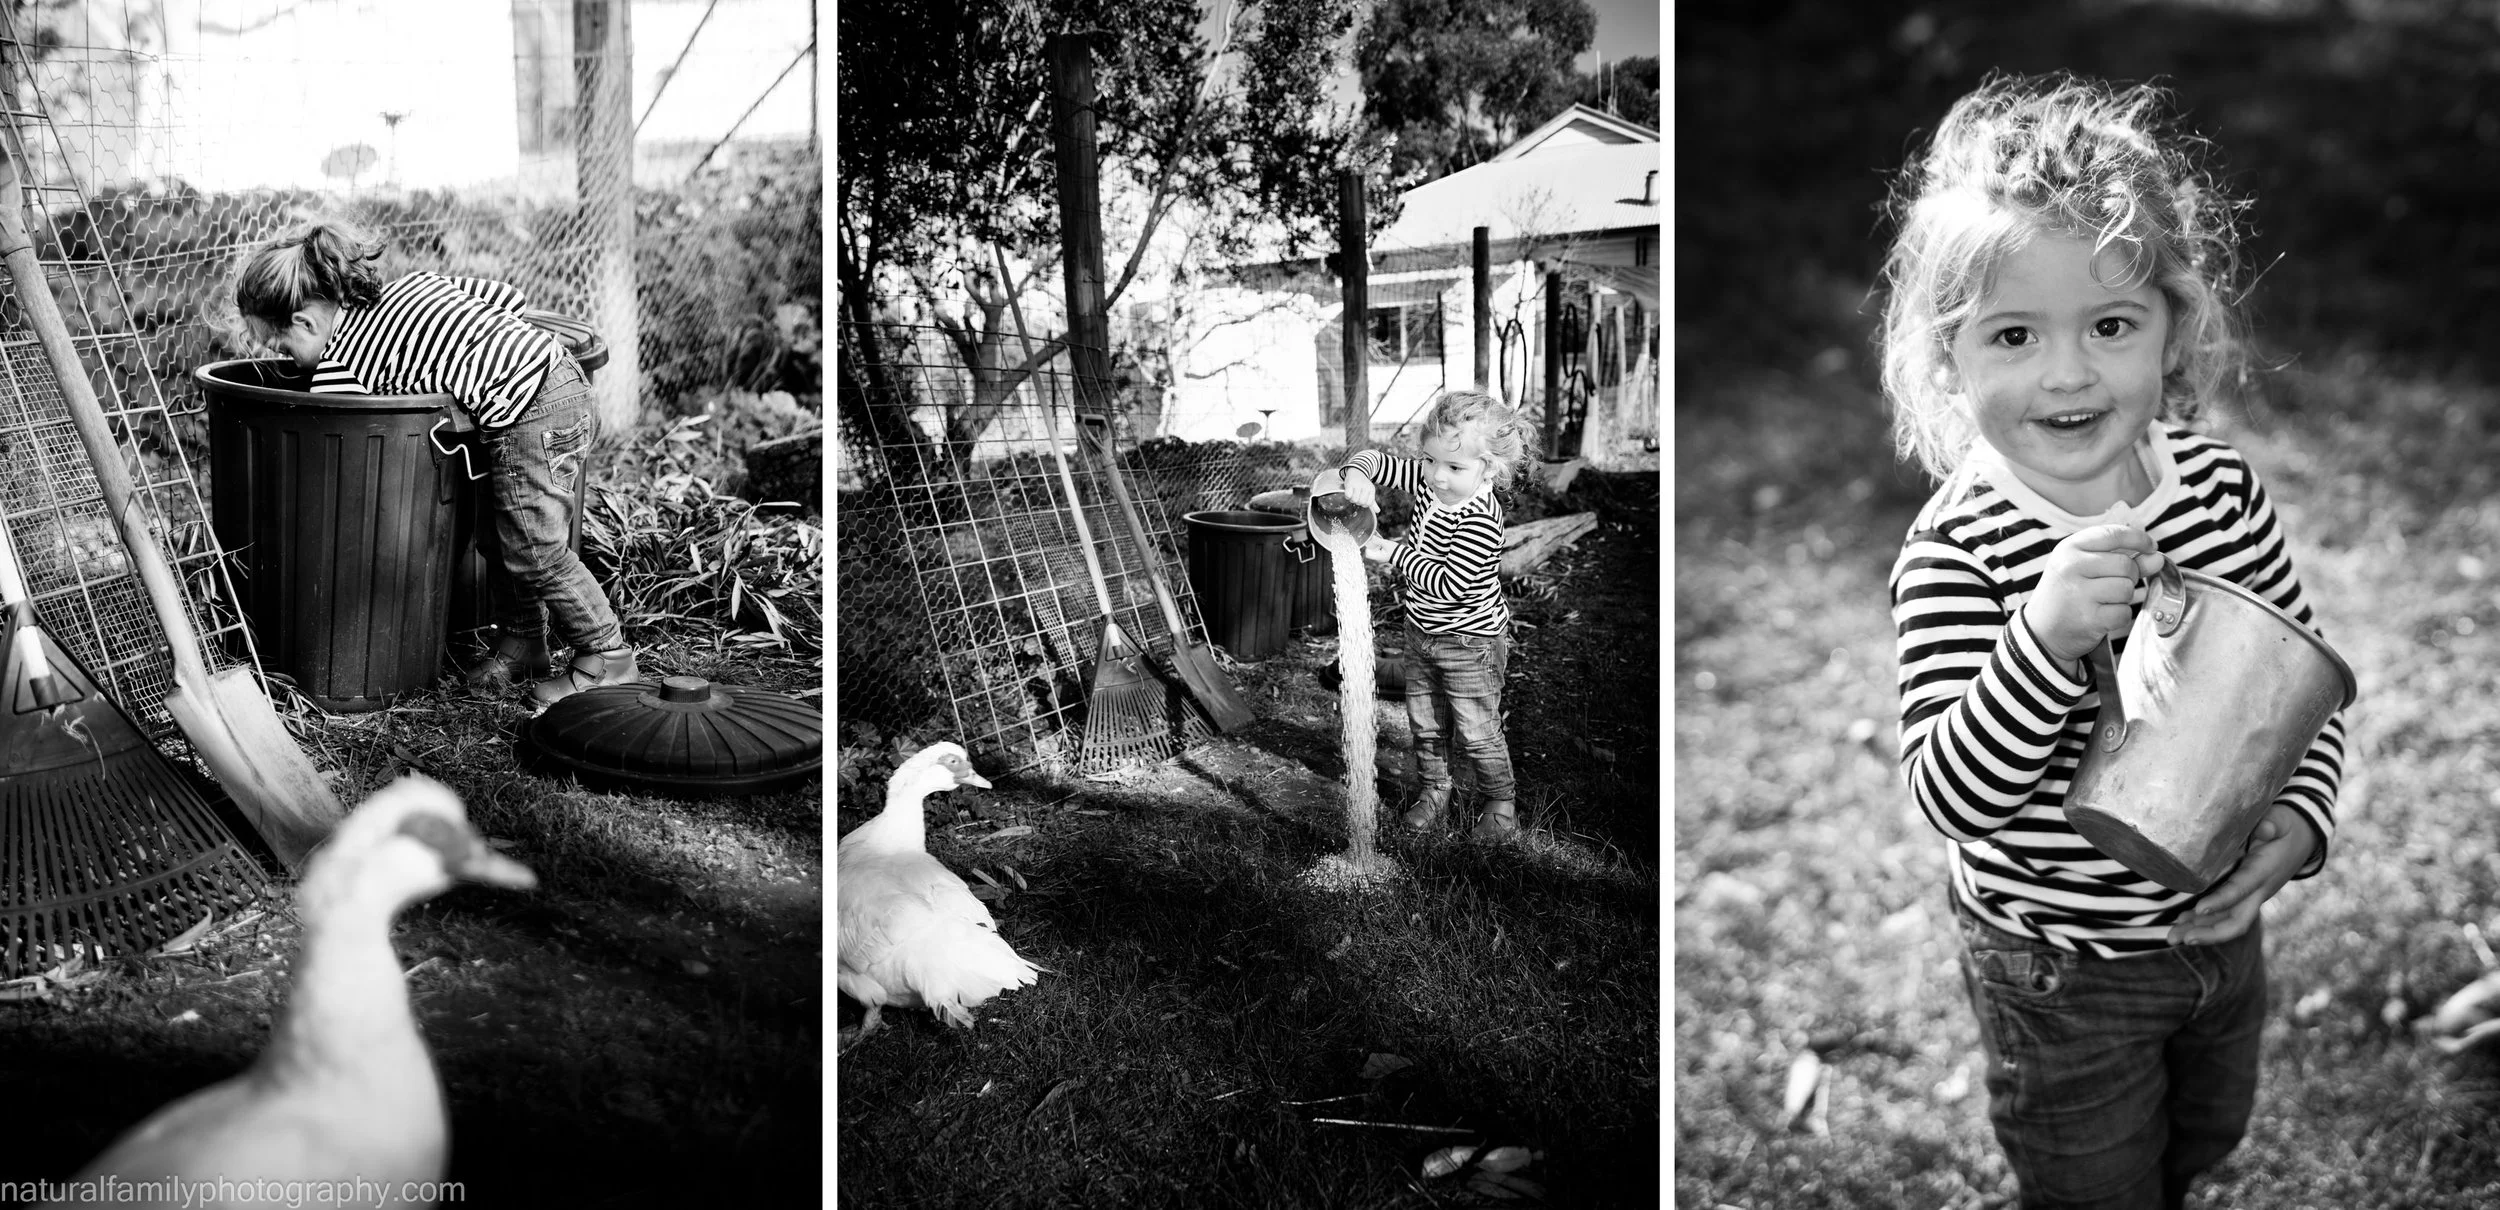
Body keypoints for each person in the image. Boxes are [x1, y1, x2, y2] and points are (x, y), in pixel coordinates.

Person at [1882, 75, 2347, 1209]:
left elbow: (2298, 687)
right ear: (1951, 357)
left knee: (2201, 1139)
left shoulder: (2218, 490)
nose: (2068, 372)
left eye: (2109, 324)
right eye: (2012, 334)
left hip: (2217, 933)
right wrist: (2040, 640)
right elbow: (1950, 794)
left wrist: (2296, 822)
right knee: (2095, 1184)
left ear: (2170, 328)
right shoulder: (1965, 549)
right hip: (2057, 968)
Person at [232, 220, 637, 706]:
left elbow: (343, 433)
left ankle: (608, 656)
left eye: (282, 348)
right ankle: (524, 640)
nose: (290, 362)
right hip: (554, 380)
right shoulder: (415, 283)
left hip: (531, 411)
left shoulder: (340, 366)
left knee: (535, 548)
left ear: (306, 322)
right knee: (498, 534)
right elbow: (505, 298)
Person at [1333, 389, 1533, 841]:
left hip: (1469, 642)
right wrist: (1357, 473)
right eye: (1428, 461)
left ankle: (1501, 802)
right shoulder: (1430, 480)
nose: (1437, 477)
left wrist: (1391, 552)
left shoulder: (1482, 518)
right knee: (1424, 723)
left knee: (1477, 728)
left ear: (1490, 469)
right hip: (1421, 631)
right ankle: (1434, 790)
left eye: (1455, 467)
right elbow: (1377, 461)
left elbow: (1449, 584)